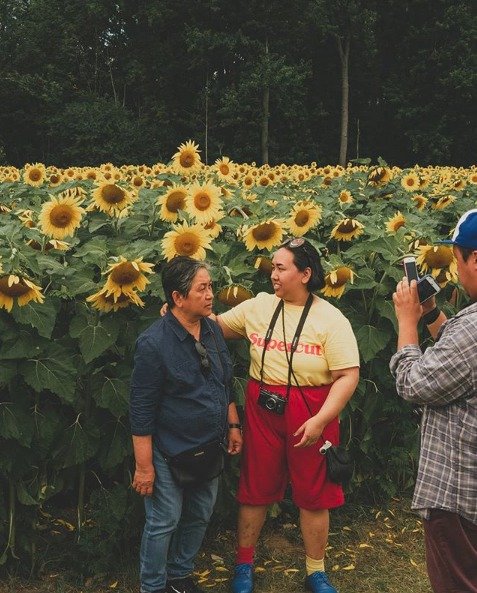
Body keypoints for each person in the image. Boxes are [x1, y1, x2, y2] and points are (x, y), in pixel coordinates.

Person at [215, 237, 360, 593]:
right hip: (263, 404)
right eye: (273, 267)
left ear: (305, 274)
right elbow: (215, 328)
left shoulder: (331, 319)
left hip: (313, 409)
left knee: (315, 492)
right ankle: (244, 565)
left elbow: (348, 375)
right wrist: (179, 314)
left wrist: (322, 420)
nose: (273, 275)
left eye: (281, 268)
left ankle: (316, 571)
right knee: (256, 486)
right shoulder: (259, 307)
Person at [130, 256, 243, 593]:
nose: (210, 295)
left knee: (199, 515)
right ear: (178, 298)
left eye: (210, 287)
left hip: (209, 444)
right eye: (202, 289)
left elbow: (225, 380)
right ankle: (152, 586)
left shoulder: (210, 329)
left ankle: (180, 576)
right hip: (168, 451)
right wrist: (144, 466)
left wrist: (233, 424)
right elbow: (141, 409)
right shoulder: (153, 344)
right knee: (164, 521)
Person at [390, 209, 477, 593]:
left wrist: (407, 322)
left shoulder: (472, 329)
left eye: (457, 260)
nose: (456, 271)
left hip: (459, 495)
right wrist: (432, 316)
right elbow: (461, 365)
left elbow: (414, 384)